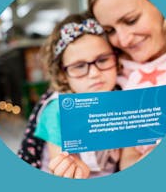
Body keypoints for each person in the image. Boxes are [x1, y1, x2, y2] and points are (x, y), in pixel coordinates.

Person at [88, 0, 166, 170]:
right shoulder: (112, 77)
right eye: (110, 30)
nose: (123, 40)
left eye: (131, 20)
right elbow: (127, 159)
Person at [31, 14, 122, 179]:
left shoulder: (123, 100)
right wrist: (73, 168)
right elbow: (61, 167)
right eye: (79, 66)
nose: (94, 73)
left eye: (102, 60)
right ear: (62, 75)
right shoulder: (57, 110)